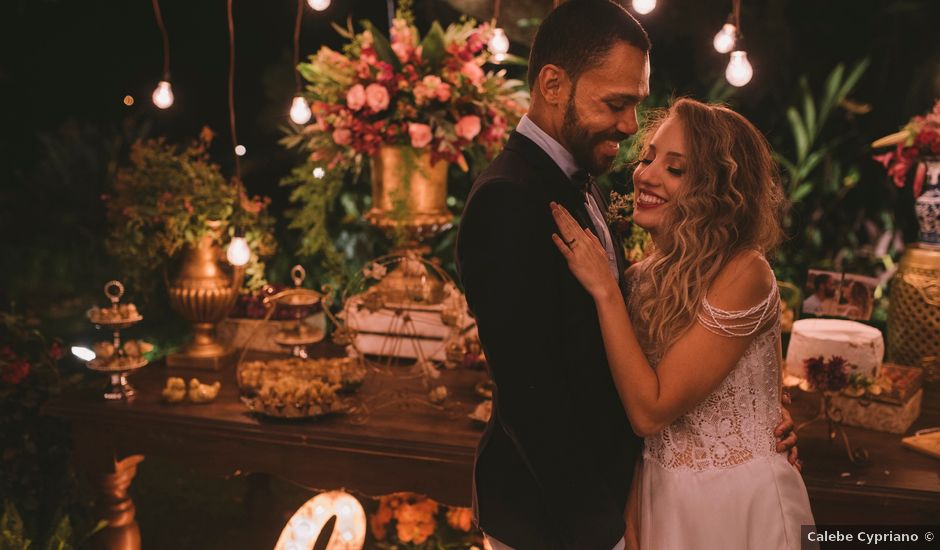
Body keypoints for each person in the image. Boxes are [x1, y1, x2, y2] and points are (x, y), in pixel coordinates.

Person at [455, 2, 797, 548]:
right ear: (552, 84)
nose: (629, 128)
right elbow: (531, 398)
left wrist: (757, 419)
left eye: (635, 105)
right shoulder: (508, 198)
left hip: (655, 501)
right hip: (558, 520)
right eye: (616, 103)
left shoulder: (582, 183)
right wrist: (602, 530)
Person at [550, 98, 815, 549]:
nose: (646, 174)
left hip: (736, 502)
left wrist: (604, 291)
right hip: (660, 496)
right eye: (649, 157)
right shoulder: (637, 281)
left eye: (676, 169)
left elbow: (649, 411)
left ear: (718, 191)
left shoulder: (745, 273)